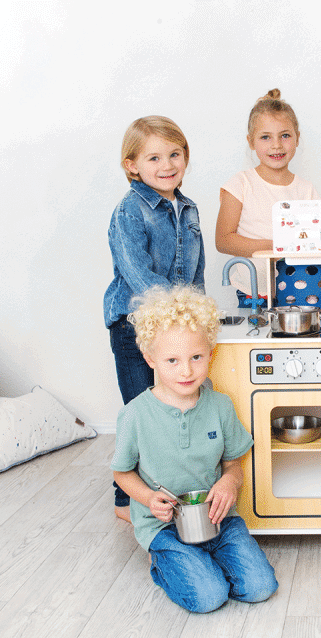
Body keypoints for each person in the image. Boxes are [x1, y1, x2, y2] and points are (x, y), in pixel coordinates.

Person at [111, 286, 278, 613]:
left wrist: (230, 481)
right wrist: (148, 498)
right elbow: (122, 473)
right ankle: (167, 562)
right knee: (209, 597)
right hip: (164, 526)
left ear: (211, 354)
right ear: (150, 359)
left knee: (261, 588)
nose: (186, 371)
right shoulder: (134, 415)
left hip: (218, 520)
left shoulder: (220, 406)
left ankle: (202, 560)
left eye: (196, 358)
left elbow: (233, 462)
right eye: (172, 360)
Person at [104, 116, 206, 522]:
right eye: (154, 158)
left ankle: (171, 489)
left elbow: (196, 273)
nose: (167, 165)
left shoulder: (188, 207)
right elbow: (139, 276)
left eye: (175, 154)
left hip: (177, 327)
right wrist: (177, 316)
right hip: (135, 326)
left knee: (177, 408)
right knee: (141, 413)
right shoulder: (129, 211)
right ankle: (126, 499)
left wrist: (197, 318)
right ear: (132, 165)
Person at [216, 88, 319, 307]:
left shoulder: (306, 190)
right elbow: (223, 240)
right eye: (265, 137)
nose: (276, 145)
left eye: (285, 135)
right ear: (251, 141)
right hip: (254, 292)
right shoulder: (240, 184)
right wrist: (275, 247)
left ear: (297, 138)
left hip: (298, 291)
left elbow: (316, 240)